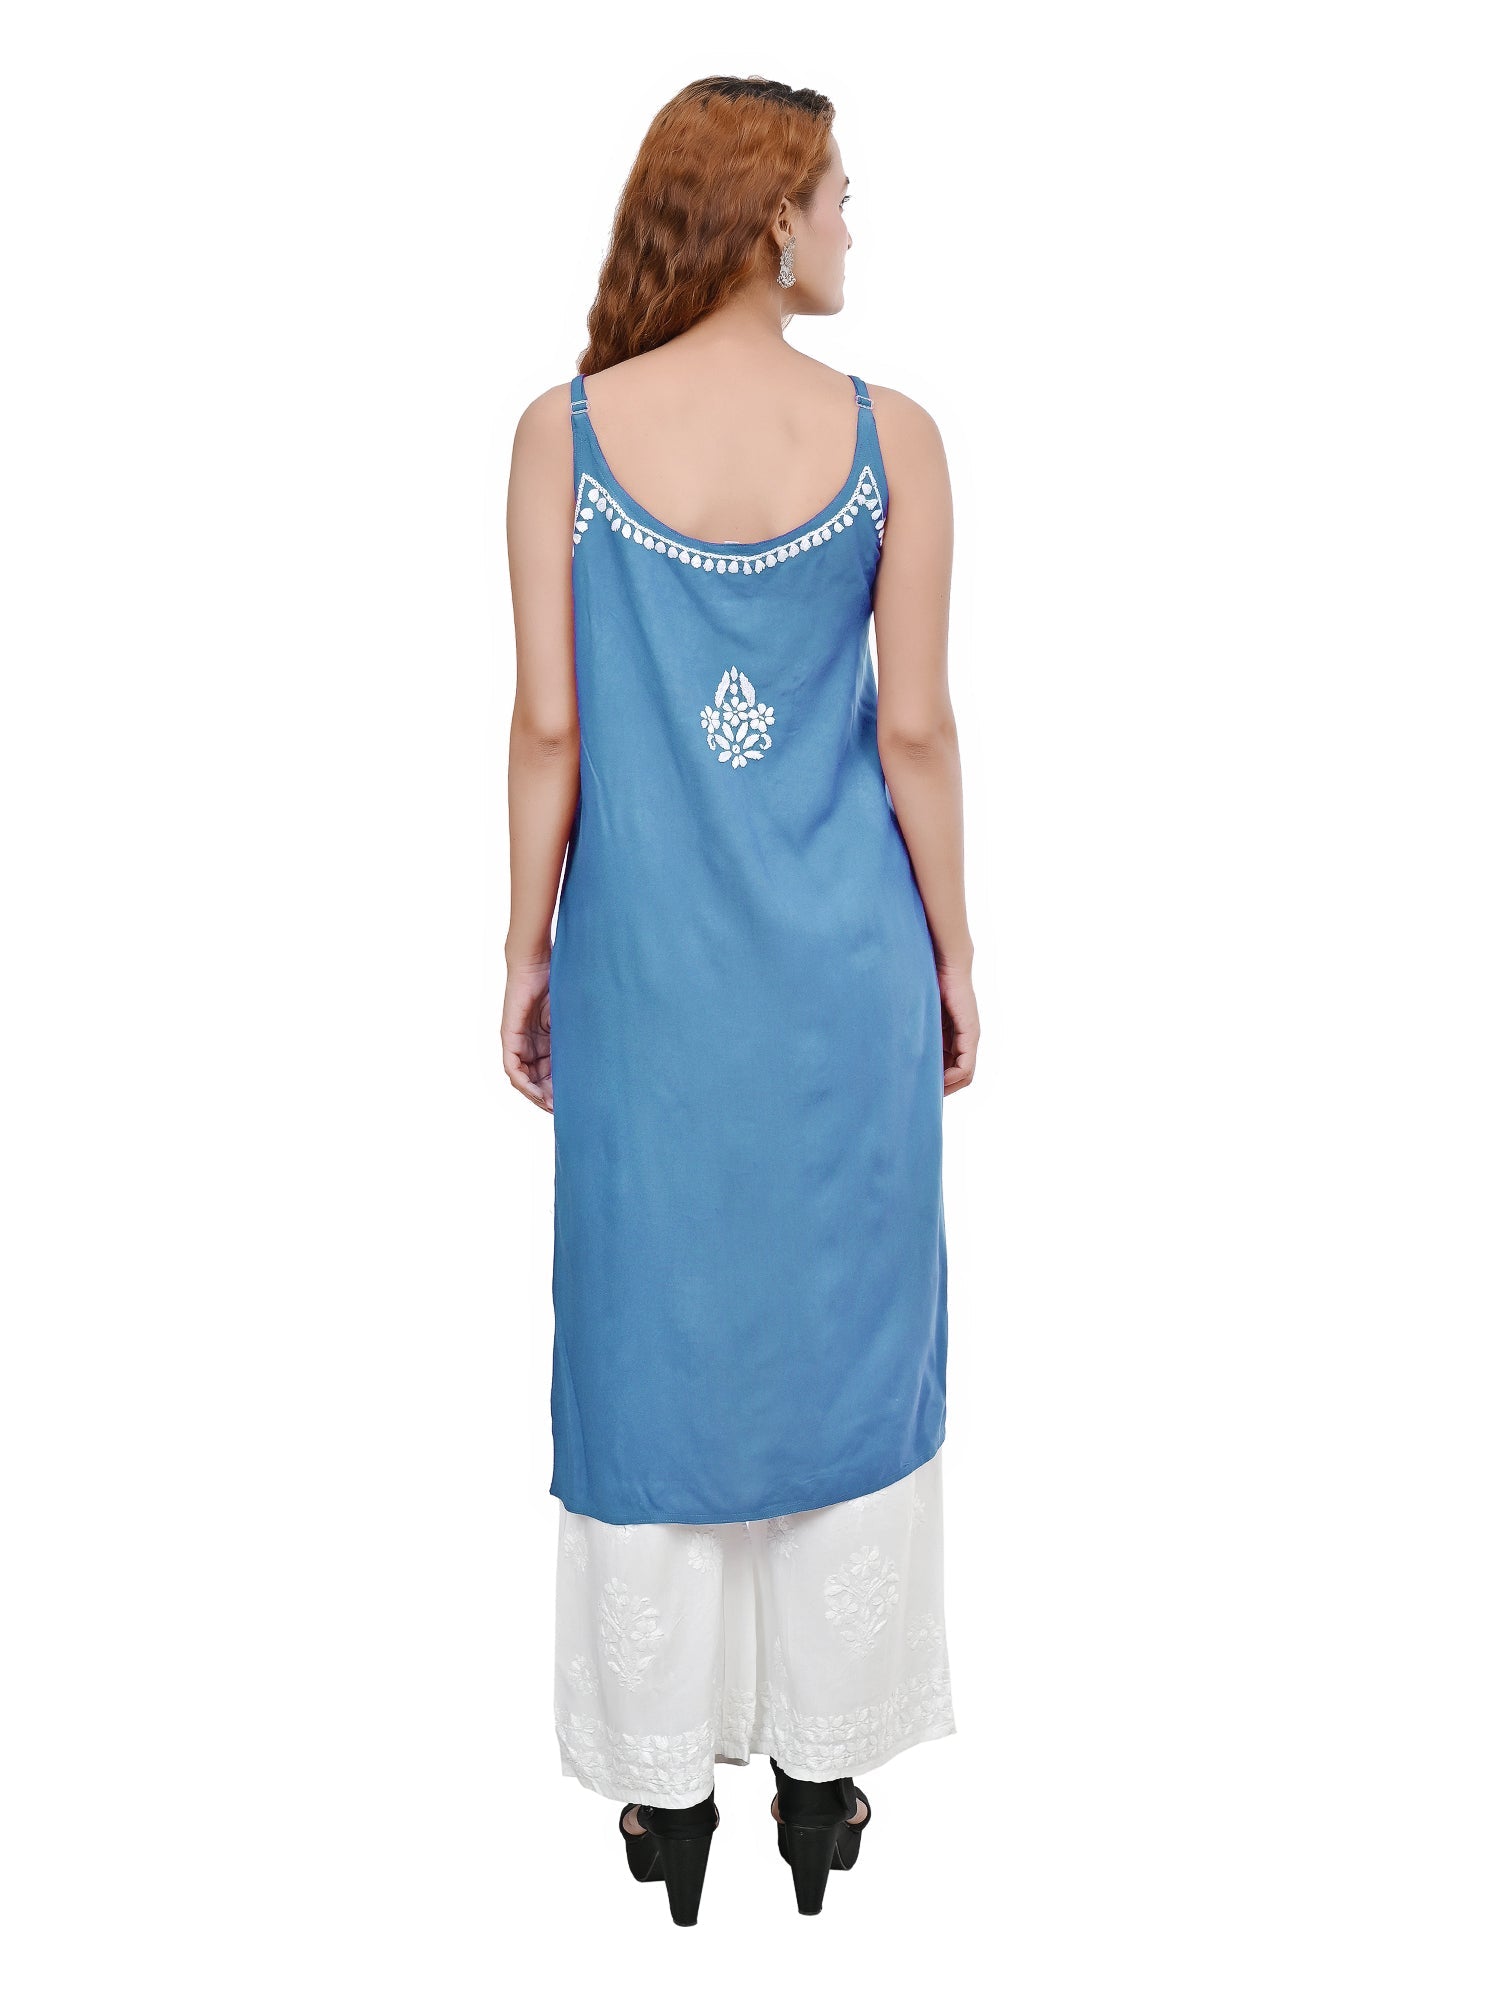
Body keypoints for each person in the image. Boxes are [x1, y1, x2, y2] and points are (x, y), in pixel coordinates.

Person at [502, 74, 979, 1925]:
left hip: (647, 979)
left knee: (650, 1338)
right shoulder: (891, 440)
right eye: (840, 196)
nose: (853, 226)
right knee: (845, 1337)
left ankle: (661, 1797)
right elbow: (915, 730)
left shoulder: (563, 437)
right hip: (845, 981)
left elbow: (551, 727)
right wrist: (954, 953)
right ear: (773, 215)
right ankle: (822, 1778)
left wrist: (525, 947)